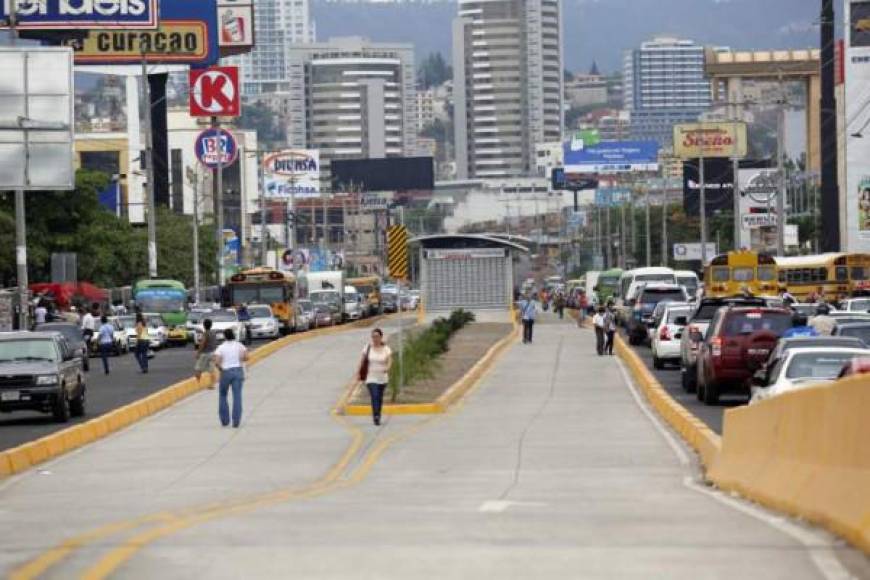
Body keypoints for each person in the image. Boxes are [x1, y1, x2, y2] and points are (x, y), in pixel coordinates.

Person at [213, 328, 249, 428]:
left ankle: (225, 420)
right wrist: (241, 359)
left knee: (223, 395)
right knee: (237, 396)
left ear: (224, 336)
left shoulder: (221, 347)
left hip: (225, 372)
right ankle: (236, 421)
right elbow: (246, 357)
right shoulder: (239, 345)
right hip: (238, 371)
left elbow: (216, 362)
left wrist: (221, 369)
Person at [358, 328, 393, 426]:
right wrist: (359, 374)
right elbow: (362, 361)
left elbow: (390, 360)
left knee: (380, 397)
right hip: (371, 377)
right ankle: (376, 416)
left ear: (381, 337)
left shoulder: (386, 349)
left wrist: (387, 368)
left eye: (377, 336)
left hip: (382, 376)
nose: (375, 338)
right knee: (374, 395)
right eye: (373, 336)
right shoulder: (367, 348)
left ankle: (378, 413)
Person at [195, 318, 218, 389]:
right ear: (211, 325)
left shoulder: (205, 333)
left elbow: (202, 343)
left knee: (198, 368)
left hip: (205, 353)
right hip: (213, 352)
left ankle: (198, 383)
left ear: (204, 325)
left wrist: (198, 352)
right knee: (212, 370)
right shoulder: (213, 333)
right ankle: (212, 384)